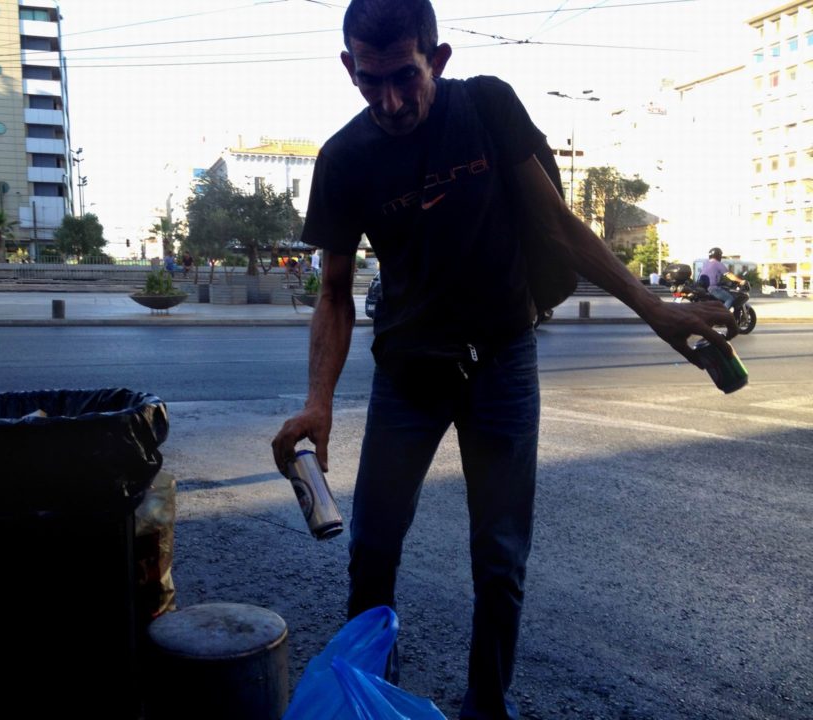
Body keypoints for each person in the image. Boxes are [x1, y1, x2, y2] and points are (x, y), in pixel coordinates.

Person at [270, 2, 736, 718]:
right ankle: (370, 701)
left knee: (500, 557)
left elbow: (558, 225)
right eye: (370, 81)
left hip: (502, 363)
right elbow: (334, 291)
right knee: (373, 548)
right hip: (408, 373)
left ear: (437, 60)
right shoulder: (343, 158)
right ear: (349, 69)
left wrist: (656, 310)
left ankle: (488, 706)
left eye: (404, 77)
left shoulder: (487, 106)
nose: (389, 101)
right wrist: (318, 402)